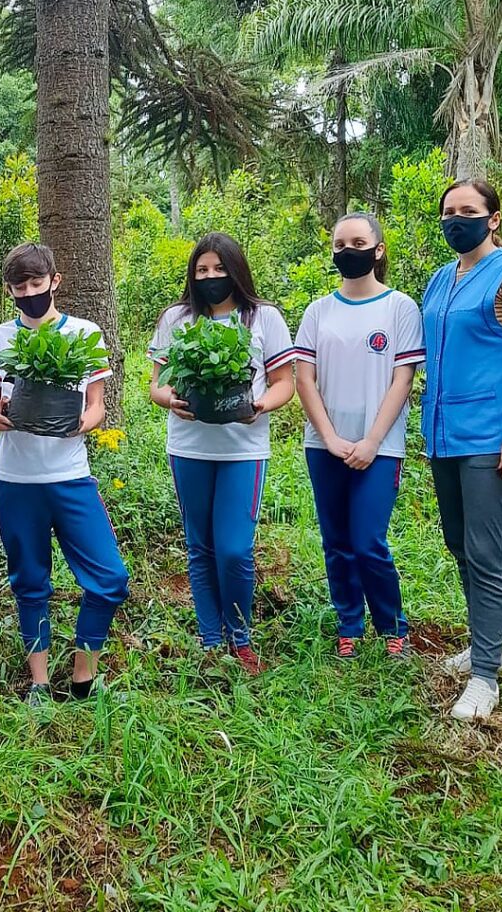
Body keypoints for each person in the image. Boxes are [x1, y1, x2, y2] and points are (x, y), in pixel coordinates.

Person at [0, 243, 129, 706]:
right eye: (19, 287)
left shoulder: (85, 334)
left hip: (70, 475)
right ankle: (39, 683)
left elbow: (97, 404)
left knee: (109, 578)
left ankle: (84, 677)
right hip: (16, 478)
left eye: (36, 284)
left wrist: (86, 421)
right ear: (10, 290)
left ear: (55, 282)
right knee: (30, 580)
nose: (28, 293)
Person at [422, 180, 502, 721]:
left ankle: (485, 677)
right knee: (459, 543)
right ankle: (484, 642)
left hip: (493, 440)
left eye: (468, 211)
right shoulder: (441, 278)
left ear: (493, 219)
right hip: (445, 435)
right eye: (449, 211)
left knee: (486, 551)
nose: (457, 219)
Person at [148, 233, 295, 674]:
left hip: (243, 450)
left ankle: (241, 636)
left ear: (236, 270)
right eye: (202, 270)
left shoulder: (262, 317)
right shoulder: (178, 318)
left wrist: (259, 406)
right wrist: (168, 399)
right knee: (200, 546)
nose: (211, 277)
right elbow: (155, 383)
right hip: (189, 446)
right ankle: (211, 639)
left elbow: (284, 381)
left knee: (234, 549)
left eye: (219, 269)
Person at [295, 213, 424, 660]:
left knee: (369, 541)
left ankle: (392, 626)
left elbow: (401, 381)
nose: (348, 250)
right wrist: (330, 437)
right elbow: (304, 380)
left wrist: (370, 442)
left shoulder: (400, 308)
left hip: (380, 447)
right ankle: (349, 623)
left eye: (358, 241)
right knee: (337, 542)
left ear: (378, 249)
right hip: (324, 446)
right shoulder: (318, 311)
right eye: (339, 243)